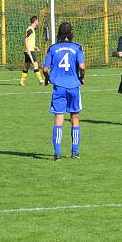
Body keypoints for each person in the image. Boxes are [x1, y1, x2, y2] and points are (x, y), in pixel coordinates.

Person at [42, 22, 85, 160]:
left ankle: (57, 152)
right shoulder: (77, 47)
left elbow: (45, 69)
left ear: (59, 34)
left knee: (59, 118)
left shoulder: (53, 48)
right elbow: (82, 67)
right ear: (71, 33)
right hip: (73, 86)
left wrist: (47, 78)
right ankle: (75, 152)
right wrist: (81, 78)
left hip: (59, 87)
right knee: (75, 118)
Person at [20, 16, 44, 86]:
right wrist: (28, 50)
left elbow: (29, 41)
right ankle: (40, 80)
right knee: (35, 64)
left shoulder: (32, 29)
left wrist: (34, 47)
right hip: (29, 51)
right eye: (38, 21)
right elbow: (25, 40)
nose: (38, 22)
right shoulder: (30, 29)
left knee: (26, 66)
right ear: (35, 21)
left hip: (30, 50)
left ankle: (22, 81)